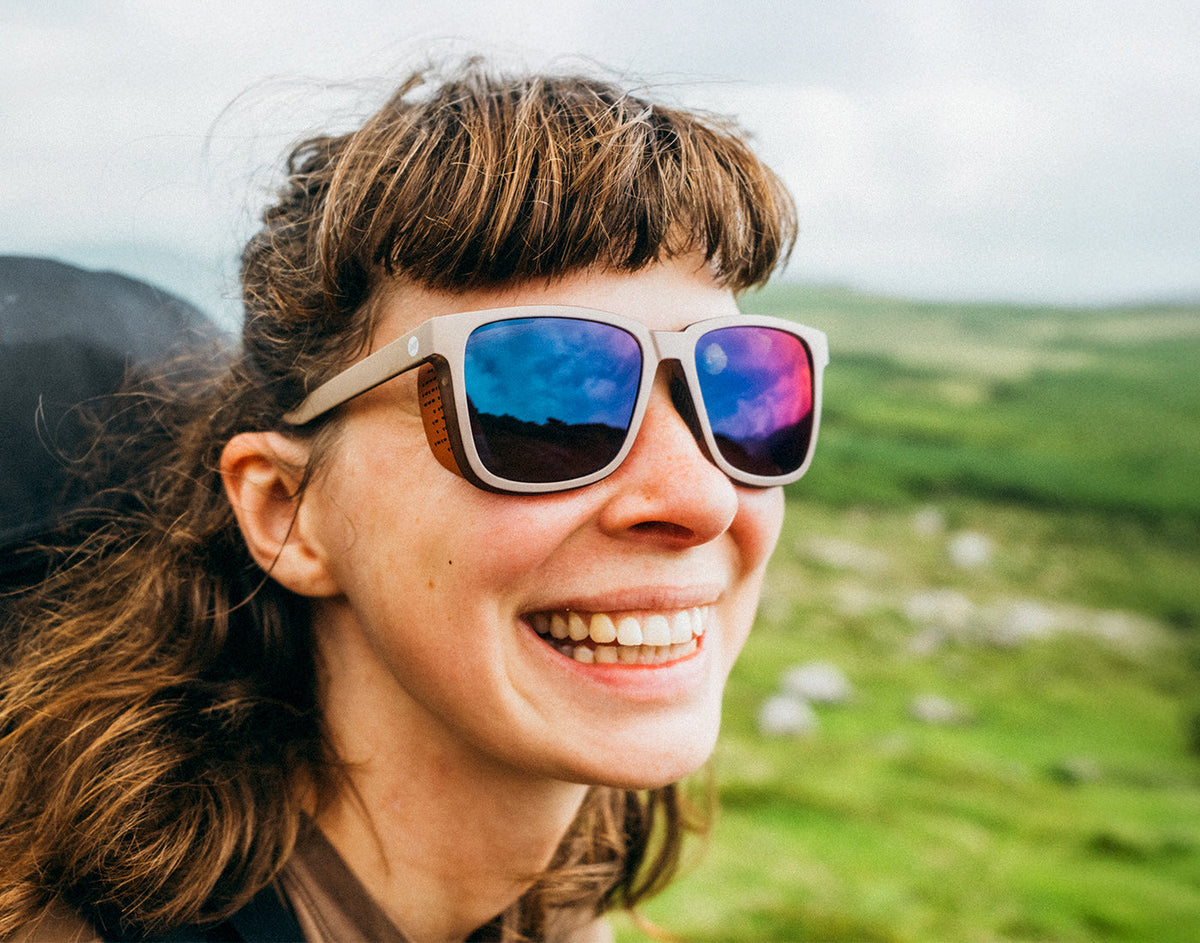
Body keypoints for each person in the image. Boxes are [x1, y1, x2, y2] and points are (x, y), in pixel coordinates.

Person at [0, 60, 827, 942]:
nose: (701, 496)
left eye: (739, 391)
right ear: (288, 511)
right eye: (551, 409)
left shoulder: (555, 909)